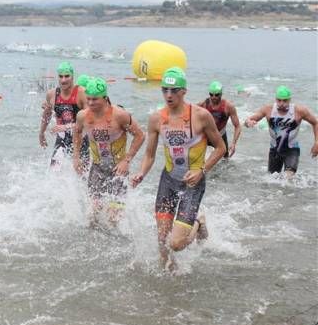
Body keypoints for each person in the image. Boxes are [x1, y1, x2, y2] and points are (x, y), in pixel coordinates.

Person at [130, 67, 226, 271]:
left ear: (184, 91)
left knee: (176, 243)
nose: (169, 95)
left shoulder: (201, 116)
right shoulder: (157, 119)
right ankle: (168, 274)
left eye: (174, 90)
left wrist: (202, 170)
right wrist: (141, 173)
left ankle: (199, 223)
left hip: (193, 182)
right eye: (165, 90)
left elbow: (220, 148)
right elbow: (149, 155)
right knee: (162, 238)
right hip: (168, 181)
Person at [73, 78, 145, 225]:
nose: (91, 103)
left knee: (113, 219)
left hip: (118, 170)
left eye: (95, 99)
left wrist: (127, 160)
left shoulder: (119, 115)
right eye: (89, 99)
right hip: (97, 168)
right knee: (92, 216)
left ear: (105, 98)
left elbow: (140, 136)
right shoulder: (82, 116)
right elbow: (77, 133)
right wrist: (76, 157)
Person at [244, 85, 318, 177]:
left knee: (288, 177)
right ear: (276, 99)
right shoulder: (268, 109)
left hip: (292, 149)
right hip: (274, 150)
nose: (281, 103)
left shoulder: (299, 111)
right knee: (272, 179)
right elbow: (247, 121)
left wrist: (316, 142)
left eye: (285, 100)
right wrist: (248, 123)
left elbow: (315, 123)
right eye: (279, 100)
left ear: (290, 100)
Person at [39, 61, 88, 166]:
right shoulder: (52, 94)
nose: (63, 80)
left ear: (72, 76)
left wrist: (66, 127)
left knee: (82, 176)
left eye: (67, 76)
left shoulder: (82, 93)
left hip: (80, 139)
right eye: (60, 76)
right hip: (62, 139)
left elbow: (89, 120)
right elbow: (47, 114)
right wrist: (41, 133)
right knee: (53, 171)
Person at [201, 81, 242, 159]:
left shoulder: (228, 106)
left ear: (221, 94)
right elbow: (191, 113)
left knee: (225, 160)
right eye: (211, 94)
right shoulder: (205, 103)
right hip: (206, 135)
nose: (213, 97)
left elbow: (237, 126)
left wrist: (233, 143)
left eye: (216, 95)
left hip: (220, 136)